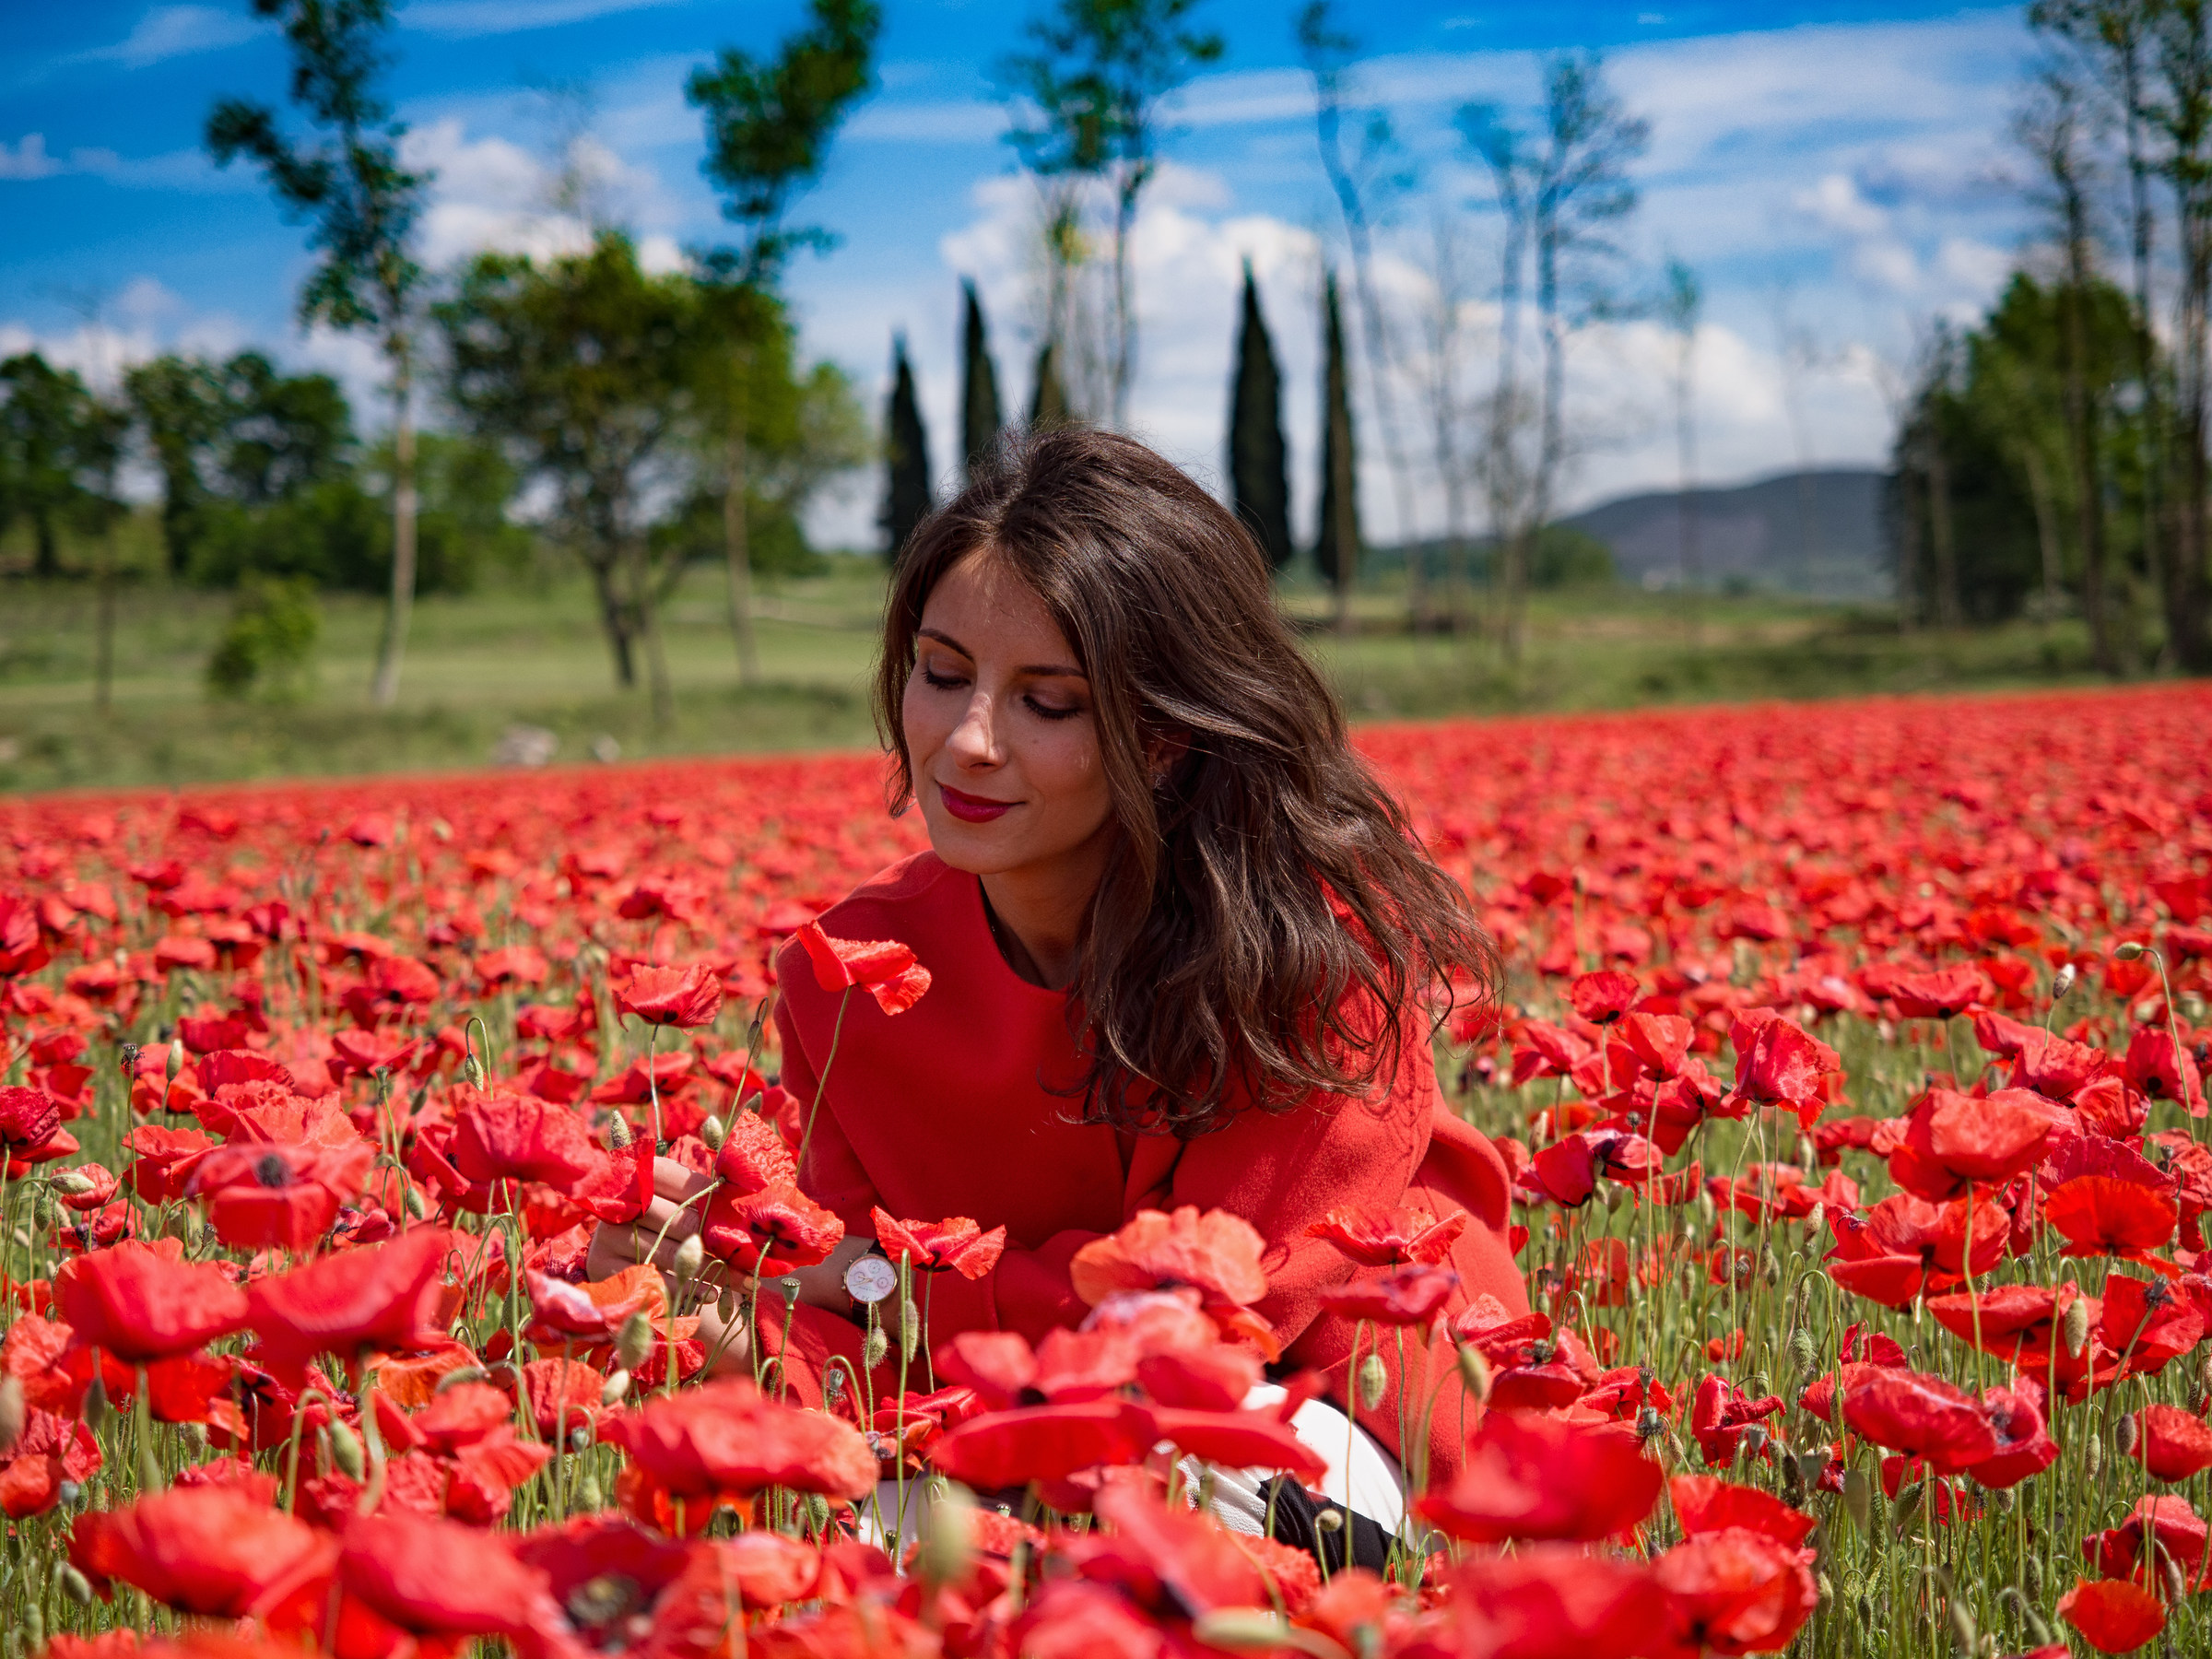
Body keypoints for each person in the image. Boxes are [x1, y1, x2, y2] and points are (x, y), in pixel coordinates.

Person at [589, 427, 1527, 1547]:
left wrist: (877, 1284)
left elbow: (1212, 1319)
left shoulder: (1311, 961)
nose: (968, 741)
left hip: (1300, 1401)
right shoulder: (851, 976)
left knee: (1187, 1482)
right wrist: (721, 1312)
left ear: (1168, 734)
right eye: (942, 675)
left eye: (1050, 702)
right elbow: (868, 1346)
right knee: (835, 1527)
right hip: (1003, 1411)